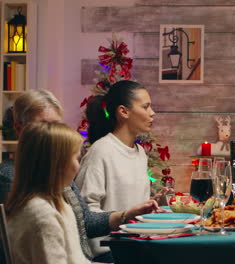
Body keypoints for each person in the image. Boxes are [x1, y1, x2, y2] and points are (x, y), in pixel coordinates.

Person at [1, 90, 161, 263]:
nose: (54, 134)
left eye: (57, 125)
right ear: (19, 129)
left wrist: (127, 214)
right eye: (45, 127)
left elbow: (85, 222)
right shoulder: (29, 200)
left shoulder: (57, 182)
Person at [75, 80, 162, 256]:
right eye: (145, 107)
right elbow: (85, 212)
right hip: (108, 251)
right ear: (123, 111)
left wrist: (153, 203)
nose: (152, 113)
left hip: (135, 245)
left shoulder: (140, 153)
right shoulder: (101, 151)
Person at [6, 122, 94, 264]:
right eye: (76, 158)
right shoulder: (41, 214)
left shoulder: (59, 205)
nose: (78, 165)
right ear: (58, 164)